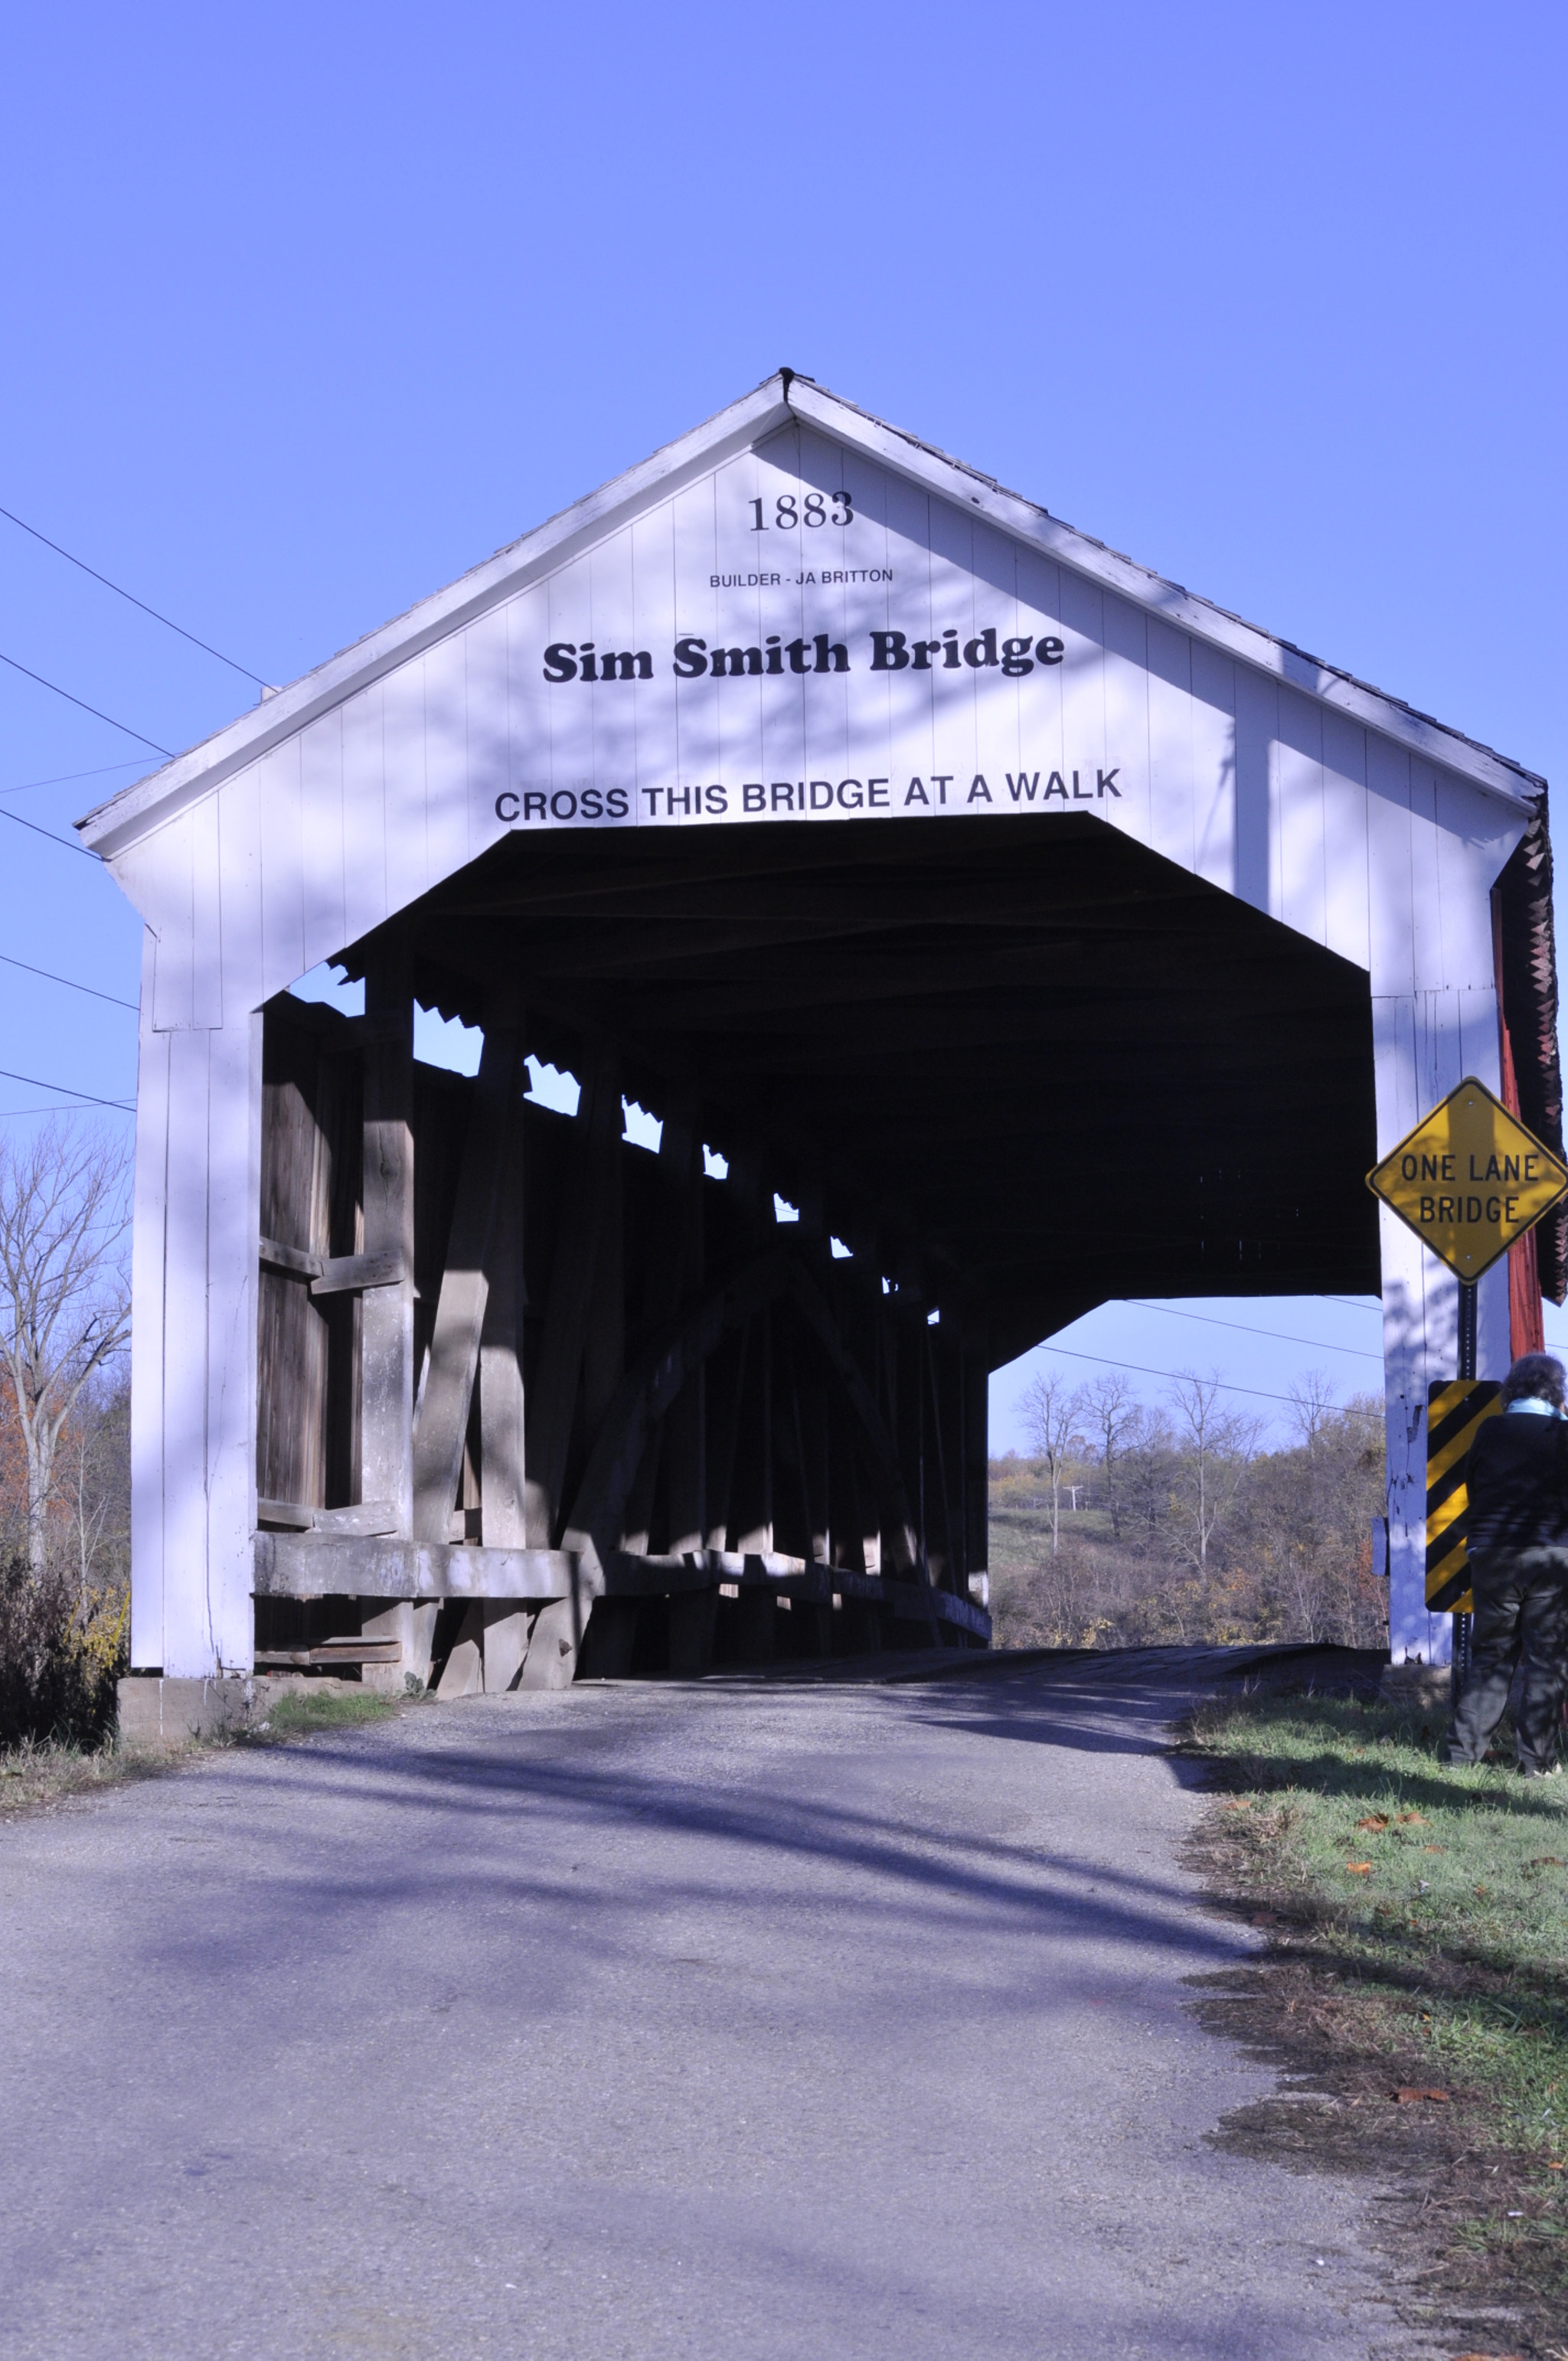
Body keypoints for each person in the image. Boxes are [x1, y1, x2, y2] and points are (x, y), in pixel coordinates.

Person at [1447, 1350, 1568, 1775]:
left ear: (1511, 1391)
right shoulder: (1562, 1435)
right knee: (1546, 1662)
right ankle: (1537, 1763)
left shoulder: (1490, 1430)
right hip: (1552, 1556)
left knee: (1491, 1658)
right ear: (1557, 1393)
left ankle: (1462, 1757)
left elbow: (1474, 1488)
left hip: (1493, 1554)